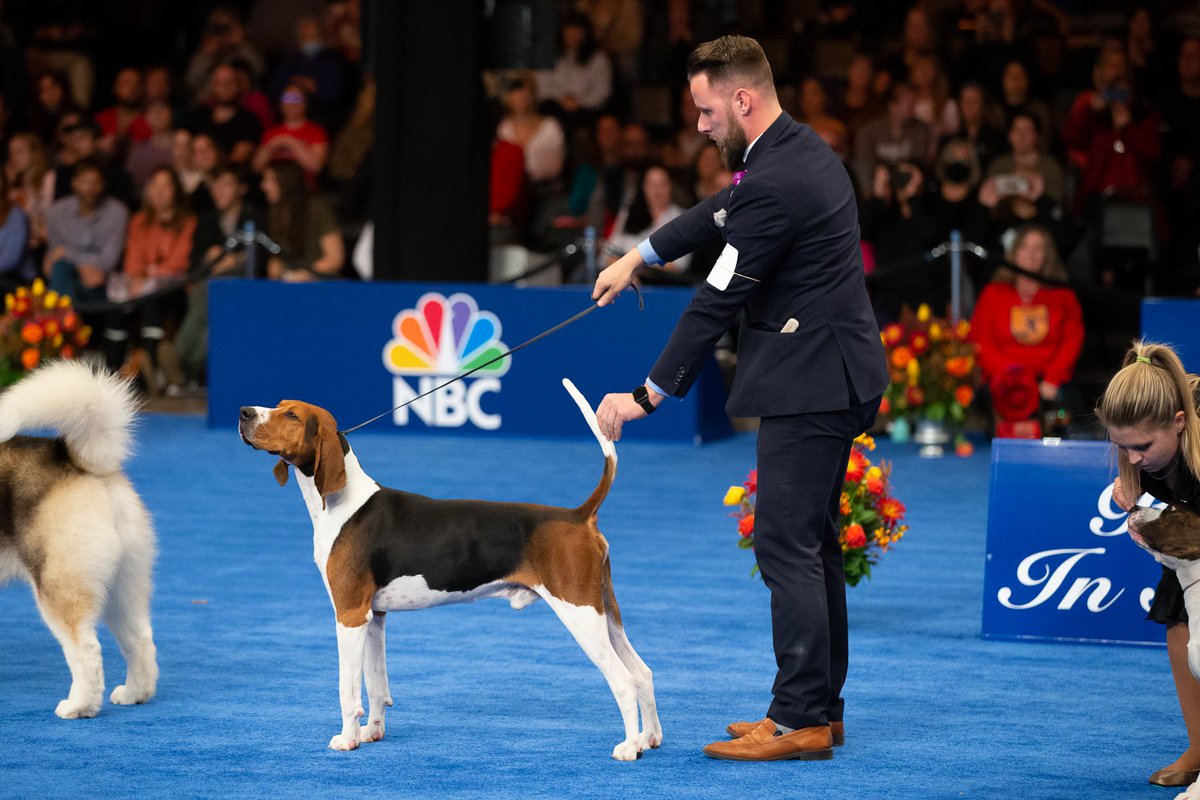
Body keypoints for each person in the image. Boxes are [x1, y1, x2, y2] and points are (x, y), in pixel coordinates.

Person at [591, 35, 887, 761]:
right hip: (834, 374)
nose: (699, 124)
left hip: (810, 385)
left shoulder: (778, 183)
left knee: (786, 546)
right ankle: (817, 707)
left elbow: (713, 303)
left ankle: (798, 722)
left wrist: (645, 396)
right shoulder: (798, 151)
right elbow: (722, 209)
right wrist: (640, 254)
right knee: (810, 546)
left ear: (741, 100)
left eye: (705, 110)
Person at [1098, 341, 1200, 789]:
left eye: (1141, 446)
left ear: (1179, 423)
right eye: (1123, 447)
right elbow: (1178, 531)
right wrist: (1138, 501)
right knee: (1178, 616)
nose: (1132, 458)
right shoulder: (1142, 448)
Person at [969, 224, 1084, 424]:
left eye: (1038, 249)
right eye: (1025, 247)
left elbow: (1072, 340)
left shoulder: (1062, 295)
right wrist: (1010, 378)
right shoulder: (993, 293)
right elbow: (981, 340)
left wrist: (1052, 379)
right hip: (1003, 380)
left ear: (1047, 256)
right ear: (1014, 252)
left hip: (1048, 382)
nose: (1031, 254)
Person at [109, 165, 196, 392]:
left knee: (153, 300)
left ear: (176, 190)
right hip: (141, 285)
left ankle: (154, 371)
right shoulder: (138, 221)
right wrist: (139, 278)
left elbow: (181, 261)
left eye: (165, 186)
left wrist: (151, 276)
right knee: (116, 307)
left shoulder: (188, 223)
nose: (159, 192)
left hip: (174, 289)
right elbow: (133, 259)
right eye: (154, 186)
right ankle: (111, 374)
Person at [43, 160, 129, 306]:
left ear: (103, 185)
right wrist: (81, 265)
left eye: (95, 183)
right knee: (60, 268)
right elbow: (52, 259)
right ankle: (64, 322)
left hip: (102, 284)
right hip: (66, 277)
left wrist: (68, 253)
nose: (90, 188)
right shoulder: (57, 212)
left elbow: (108, 262)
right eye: (84, 182)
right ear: (74, 183)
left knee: (64, 271)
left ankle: (59, 322)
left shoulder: (118, 212)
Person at [260, 160, 343, 281]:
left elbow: (335, 259)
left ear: (286, 182)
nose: (264, 186)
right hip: (288, 283)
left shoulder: (316, 209)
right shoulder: (275, 213)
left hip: (320, 283)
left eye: (270, 181)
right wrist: (275, 268)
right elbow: (277, 259)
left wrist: (306, 273)